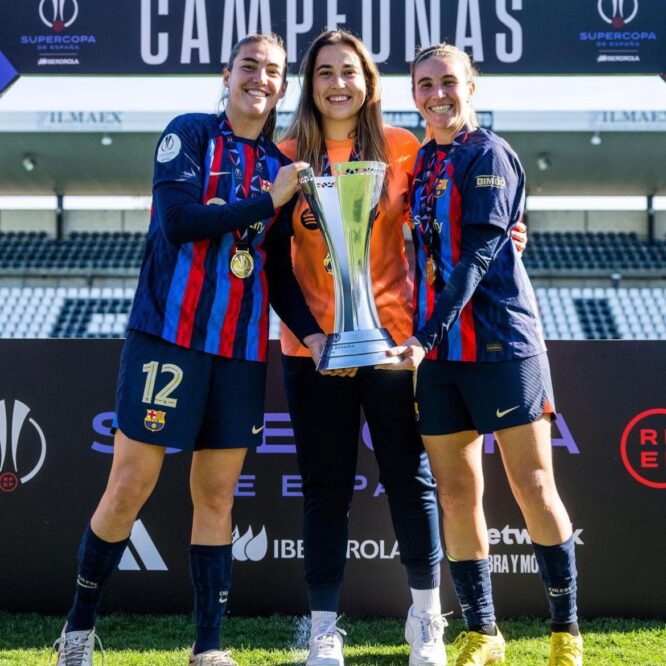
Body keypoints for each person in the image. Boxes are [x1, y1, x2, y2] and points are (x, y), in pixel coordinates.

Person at [52, 33, 325, 666]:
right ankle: (77, 627)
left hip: (238, 352)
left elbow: (277, 270)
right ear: (226, 74)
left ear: (283, 87)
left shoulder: (280, 165)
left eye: (273, 71)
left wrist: (309, 331)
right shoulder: (190, 134)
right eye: (249, 66)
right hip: (168, 340)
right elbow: (178, 221)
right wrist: (266, 200)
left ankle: (207, 649)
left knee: (217, 495)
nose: (260, 77)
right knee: (129, 485)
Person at [278, 30, 526, 666]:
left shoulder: (403, 148)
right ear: (310, 84)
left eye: (350, 72)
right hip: (315, 352)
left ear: (369, 83)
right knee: (324, 487)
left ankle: (427, 620)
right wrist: (311, 335)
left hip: (393, 348)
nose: (338, 83)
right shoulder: (286, 156)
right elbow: (277, 269)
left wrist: (508, 233)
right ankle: (325, 629)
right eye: (325, 72)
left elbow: (444, 219)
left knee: (410, 481)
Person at [385, 43, 583, 666]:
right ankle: (484, 632)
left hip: (502, 343)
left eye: (448, 82)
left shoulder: (490, 153)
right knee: (456, 492)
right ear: (412, 93)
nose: (437, 94)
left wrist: (425, 334)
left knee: (532, 486)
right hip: (439, 358)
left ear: (472, 86)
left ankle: (565, 633)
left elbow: (477, 257)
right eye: (424, 84)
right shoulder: (419, 165)